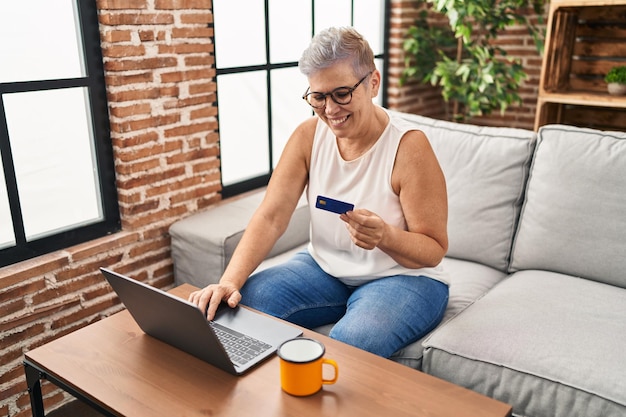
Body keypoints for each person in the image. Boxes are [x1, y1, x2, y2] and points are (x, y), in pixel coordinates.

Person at [189, 26, 449, 359]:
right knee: (241, 307)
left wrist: (385, 236)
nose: (330, 110)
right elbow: (271, 216)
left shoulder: (409, 147)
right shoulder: (308, 136)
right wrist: (229, 281)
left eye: (342, 93)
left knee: (349, 345)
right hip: (324, 269)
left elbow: (434, 250)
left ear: (373, 83)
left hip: (405, 278)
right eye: (318, 97)